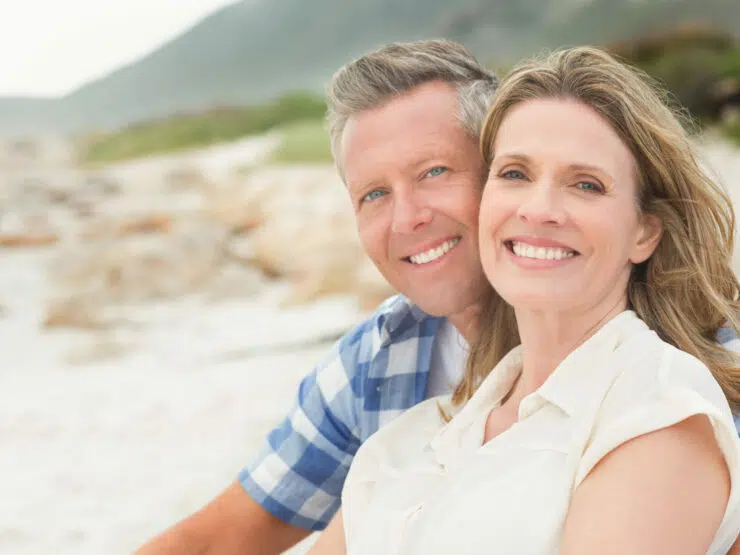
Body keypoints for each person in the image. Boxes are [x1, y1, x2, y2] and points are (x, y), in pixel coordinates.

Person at [134, 41, 740, 555]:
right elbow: (221, 538)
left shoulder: (667, 396)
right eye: (373, 194)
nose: (408, 217)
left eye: (433, 173)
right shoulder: (403, 404)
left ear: (644, 230)